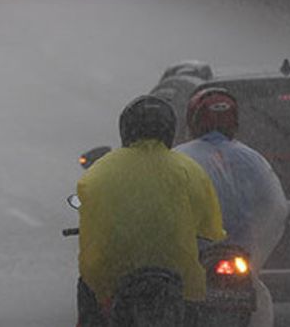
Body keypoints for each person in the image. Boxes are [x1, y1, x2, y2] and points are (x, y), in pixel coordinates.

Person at [76, 94, 226, 325]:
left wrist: (102, 292)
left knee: (86, 288)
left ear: (126, 129)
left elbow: (90, 236)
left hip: (114, 282)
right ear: (169, 130)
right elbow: (213, 230)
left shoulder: (99, 173)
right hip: (184, 286)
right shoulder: (190, 170)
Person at [174, 88, 288, 327]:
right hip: (242, 262)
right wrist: (254, 252)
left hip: (194, 263)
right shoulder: (254, 160)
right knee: (260, 301)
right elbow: (276, 209)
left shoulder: (179, 159)